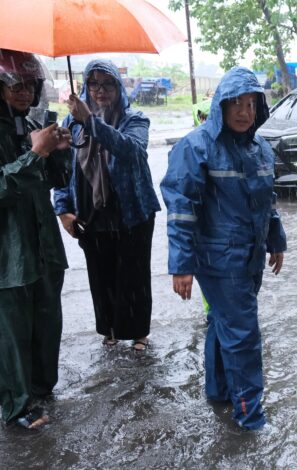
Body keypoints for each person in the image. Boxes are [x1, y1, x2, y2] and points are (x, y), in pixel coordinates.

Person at [160, 66, 283, 431]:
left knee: (222, 324)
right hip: (218, 260)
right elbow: (181, 208)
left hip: (250, 255)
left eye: (251, 103)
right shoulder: (196, 146)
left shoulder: (260, 146)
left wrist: (275, 240)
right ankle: (250, 417)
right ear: (221, 106)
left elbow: (268, 200)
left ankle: (218, 393)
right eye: (236, 104)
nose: (244, 112)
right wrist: (181, 265)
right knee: (244, 334)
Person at [54, 60, 160, 351]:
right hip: (91, 213)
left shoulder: (134, 119)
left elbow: (133, 151)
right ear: (85, 86)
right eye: (94, 84)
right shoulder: (71, 123)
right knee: (101, 276)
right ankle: (110, 329)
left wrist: (91, 122)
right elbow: (63, 170)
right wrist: (63, 210)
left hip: (131, 211)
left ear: (118, 87)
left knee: (134, 275)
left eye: (108, 83)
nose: (100, 91)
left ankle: (138, 332)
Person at [0, 49, 72, 430]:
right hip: (9, 253)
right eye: (15, 84)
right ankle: (16, 405)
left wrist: (57, 153)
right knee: (12, 331)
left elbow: (56, 183)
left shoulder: (30, 124)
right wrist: (34, 154)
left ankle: (40, 387)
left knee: (47, 321)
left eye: (30, 84)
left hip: (43, 248)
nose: (24, 91)